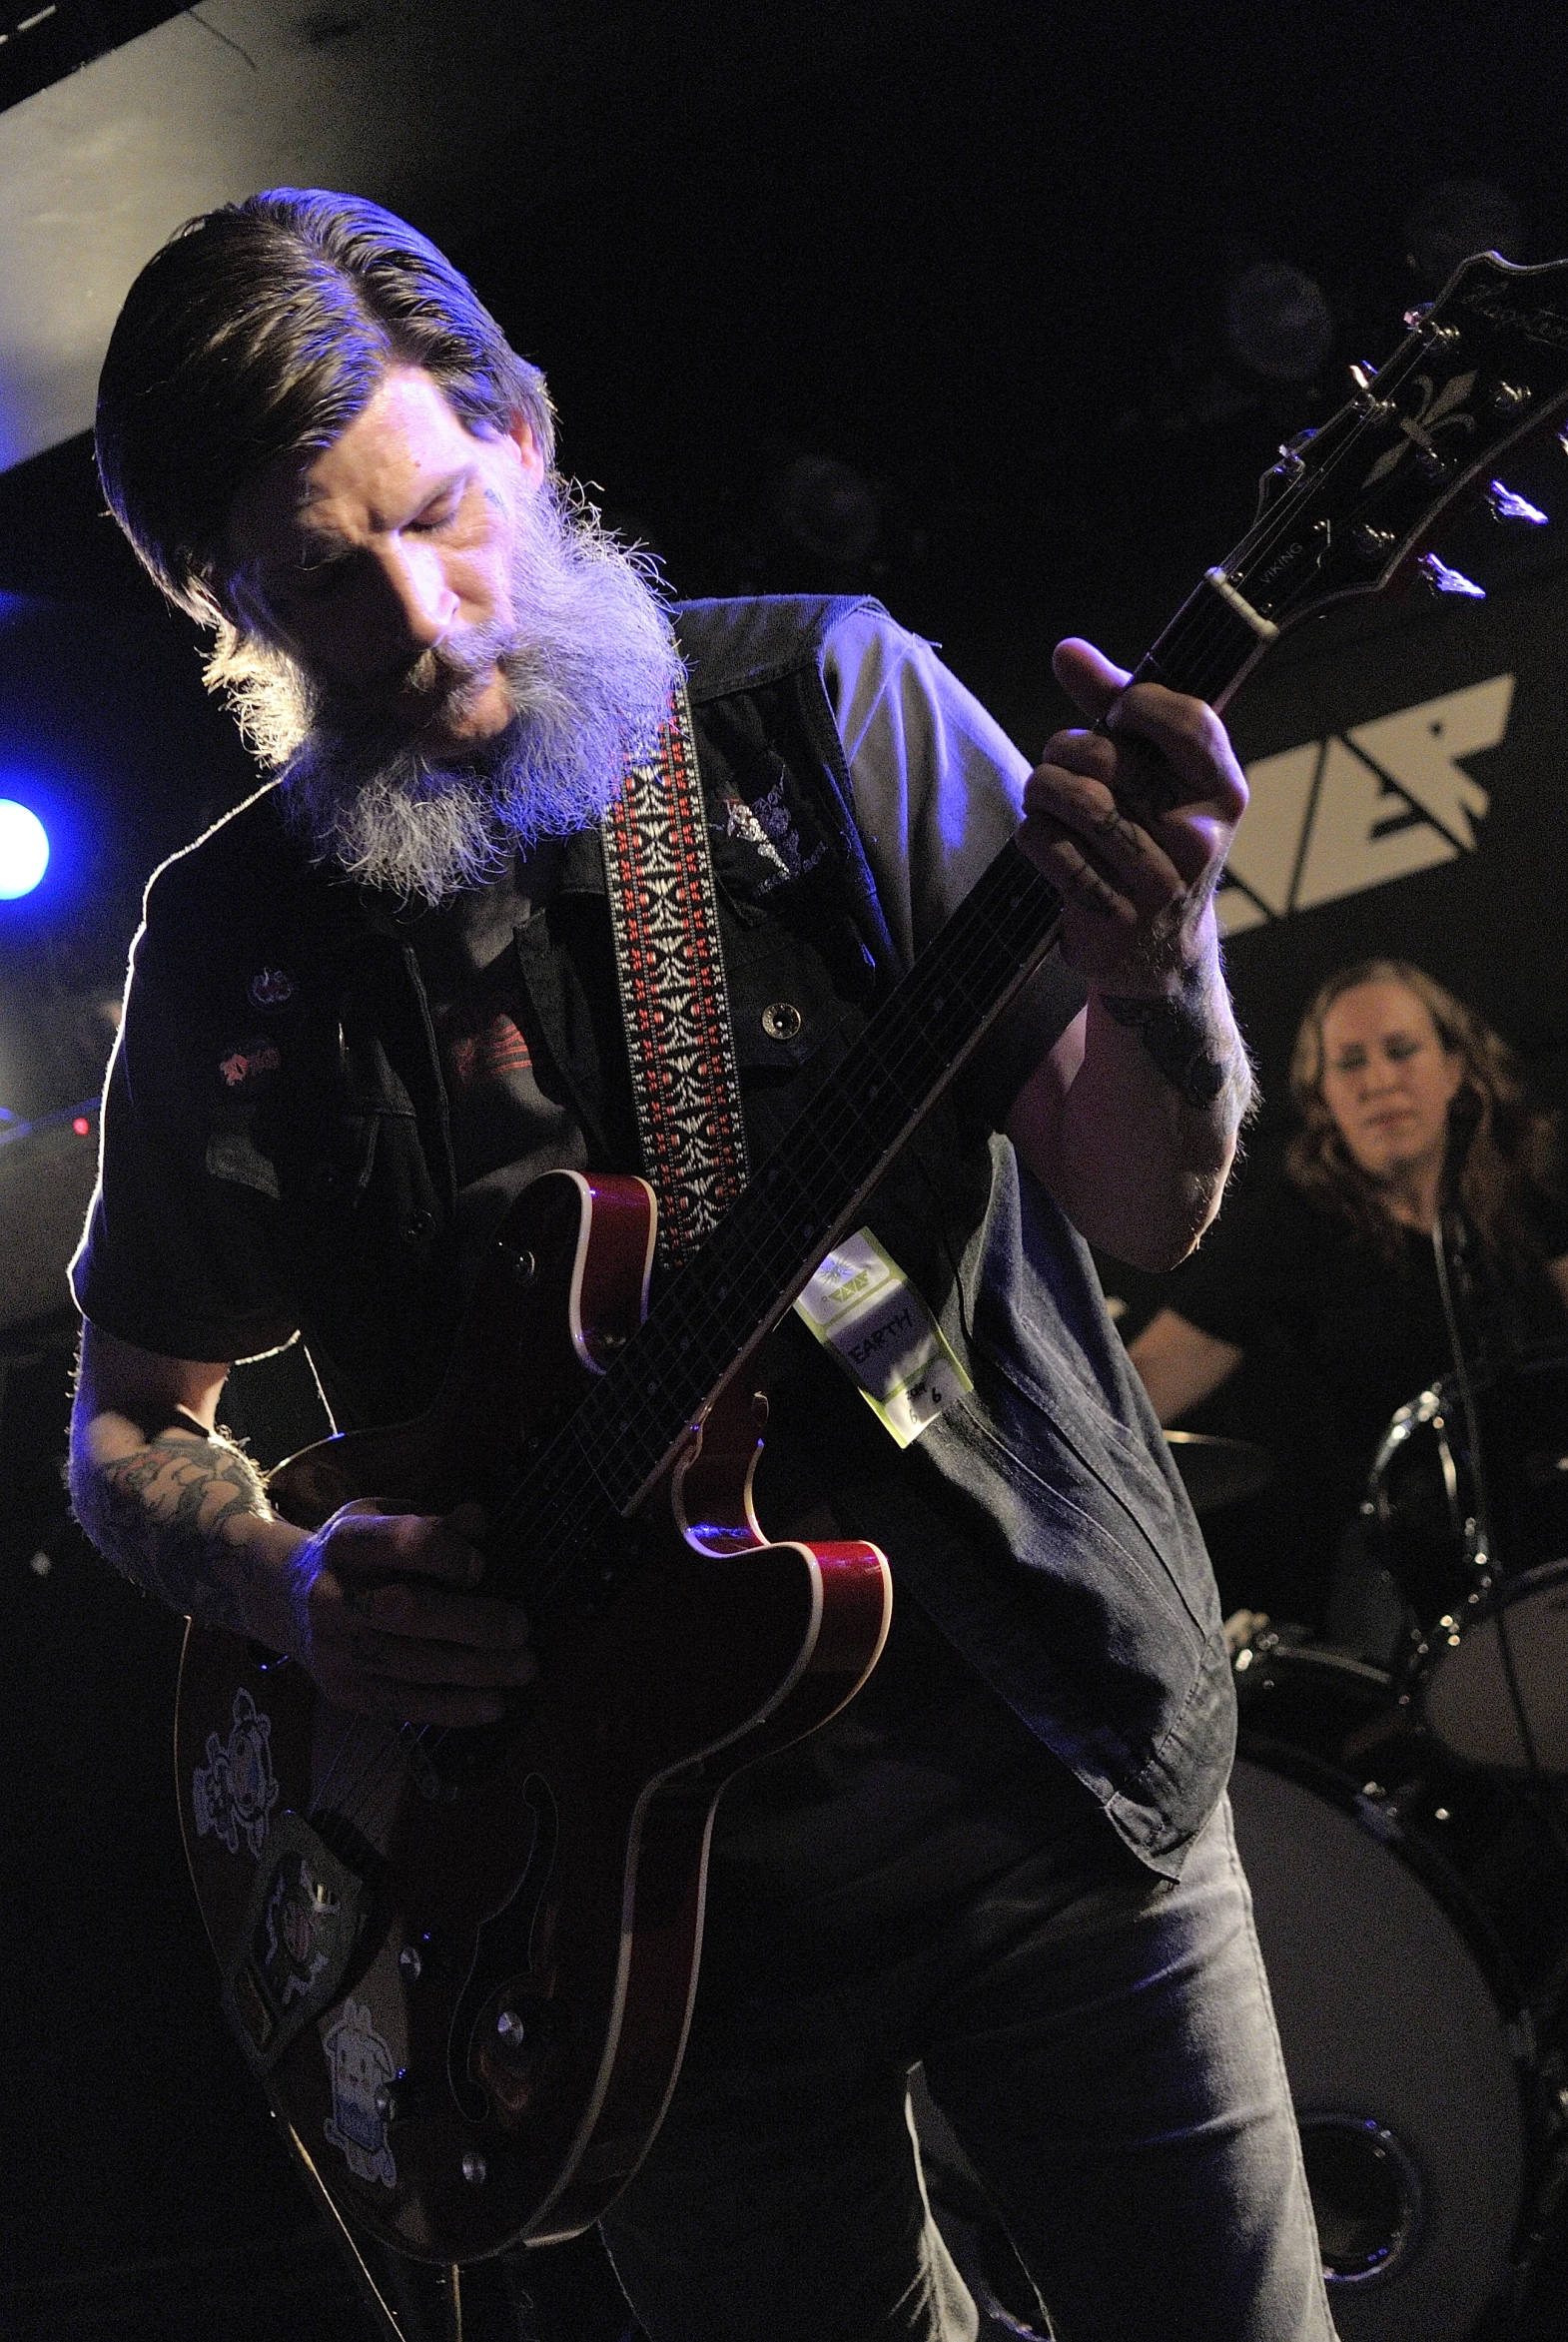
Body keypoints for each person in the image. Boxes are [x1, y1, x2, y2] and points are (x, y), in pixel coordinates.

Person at [65, 190, 1332, 2342]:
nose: (425, 618)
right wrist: (291, 1580)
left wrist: (1170, 990)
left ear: (529, 434)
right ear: (218, 604)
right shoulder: (231, 941)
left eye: (444, 514)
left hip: (1044, 1773)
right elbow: (115, 1436)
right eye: (320, 584)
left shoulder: (821, 703)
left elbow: (1139, 1200)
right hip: (625, 1933)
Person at [1129, 959, 1568, 1645]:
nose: (1379, 1081)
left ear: (1456, 1069)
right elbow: (1145, 1385)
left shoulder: (1531, 1179)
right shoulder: (1293, 1226)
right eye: (1351, 1063)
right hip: (1405, 1549)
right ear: (1322, 1095)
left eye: (1401, 1050)